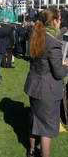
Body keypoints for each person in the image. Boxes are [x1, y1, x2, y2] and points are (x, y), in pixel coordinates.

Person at [24, 8, 68, 157]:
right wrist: (65, 66)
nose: (60, 22)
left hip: (34, 86)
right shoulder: (53, 43)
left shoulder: (36, 35)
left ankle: (31, 151)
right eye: (60, 19)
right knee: (46, 127)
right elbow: (59, 73)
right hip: (47, 90)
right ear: (54, 21)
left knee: (34, 120)